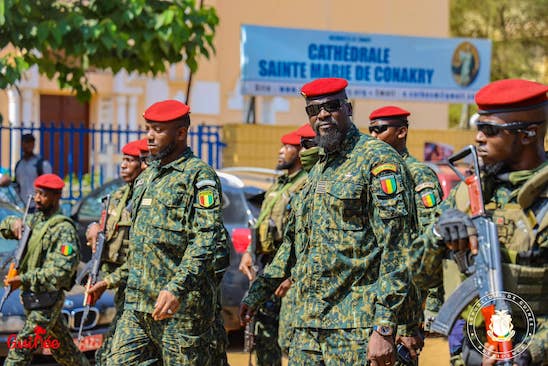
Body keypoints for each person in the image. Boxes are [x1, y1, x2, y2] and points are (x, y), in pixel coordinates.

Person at [240, 78, 416, 366]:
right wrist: (258, 292)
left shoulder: (377, 160)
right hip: (307, 326)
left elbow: (398, 251)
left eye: (331, 107)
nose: (322, 115)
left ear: (347, 108)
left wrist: (384, 326)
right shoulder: (318, 169)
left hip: (355, 328)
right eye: (314, 110)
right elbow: (293, 244)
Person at [414, 78, 548, 365]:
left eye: (490, 130)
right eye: (478, 127)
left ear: (528, 134)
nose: (478, 138)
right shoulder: (469, 192)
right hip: (469, 353)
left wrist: (531, 352)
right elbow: (415, 275)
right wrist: (439, 232)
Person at [106, 100, 226, 365]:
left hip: (179, 309)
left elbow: (207, 238)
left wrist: (176, 288)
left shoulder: (198, 176)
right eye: (148, 128)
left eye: (158, 130)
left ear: (181, 133)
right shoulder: (146, 178)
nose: (149, 136)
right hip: (138, 304)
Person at [368, 105, 444, 364]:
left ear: (401, 132)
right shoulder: (372, 170)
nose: (374, 136)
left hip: (406, 305)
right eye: (371, 130)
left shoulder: (418, 173)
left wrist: (421, 314)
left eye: (381, 129)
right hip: (374, 298)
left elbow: (429, 241)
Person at [0, 174, 89, 366]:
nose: (38, 198)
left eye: (43, 194)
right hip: (33, 299)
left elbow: (60, 272)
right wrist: (13, 224)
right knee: (67, 353)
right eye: (37, 193)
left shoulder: (63, 230)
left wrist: (23, 280)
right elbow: (5, 225)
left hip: (46, 303)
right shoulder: (35, 221)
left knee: (19, 353)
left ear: (57, 196)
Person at [239, 129, 308, 365]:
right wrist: (249, 252)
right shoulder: (279, 185)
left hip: (291, 272)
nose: (281, 151)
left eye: (287, 147)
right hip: (269, 268)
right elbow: (261, 223)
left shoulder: (305, 184)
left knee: (292, 338)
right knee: (264, 333)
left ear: (301, 152)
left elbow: (302, 236)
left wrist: (291, 277)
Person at [84, 139, 148, 366]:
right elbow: (103, 229)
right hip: (122, 286)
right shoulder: (118, 196)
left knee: (115, 355)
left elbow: (142, 257)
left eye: (130, 160)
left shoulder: (148, 198)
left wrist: (107, 282)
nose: (123, 165)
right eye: (123, 159)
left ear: (144, 165)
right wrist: (92, 229)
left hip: (139, 288)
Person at [14, 134, 52, 204]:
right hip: (23, 206)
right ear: (22, 144)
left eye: (32, 142)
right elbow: (17, 185)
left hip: (38, 205)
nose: (29, 145)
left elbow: (49, 186)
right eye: (27, 142)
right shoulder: (19, 165)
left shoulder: (42, 164)